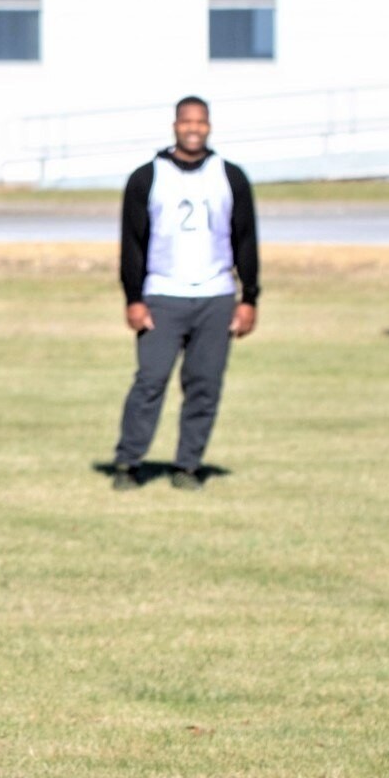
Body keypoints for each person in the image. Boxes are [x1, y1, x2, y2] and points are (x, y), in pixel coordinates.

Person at [109, 96, 259, 492]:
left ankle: (188, 465)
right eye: (186, 121)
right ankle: (127, 462)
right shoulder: (147, 177)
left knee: (205, 384)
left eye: (201, 122)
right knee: (150, 380)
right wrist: (134, 298)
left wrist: (249, 299)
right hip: (162, 293)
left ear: (209, 126)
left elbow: (246, 241)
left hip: (216, 295)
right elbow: (132, 243)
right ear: (175, 125)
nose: (194, 128)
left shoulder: (231, 176)